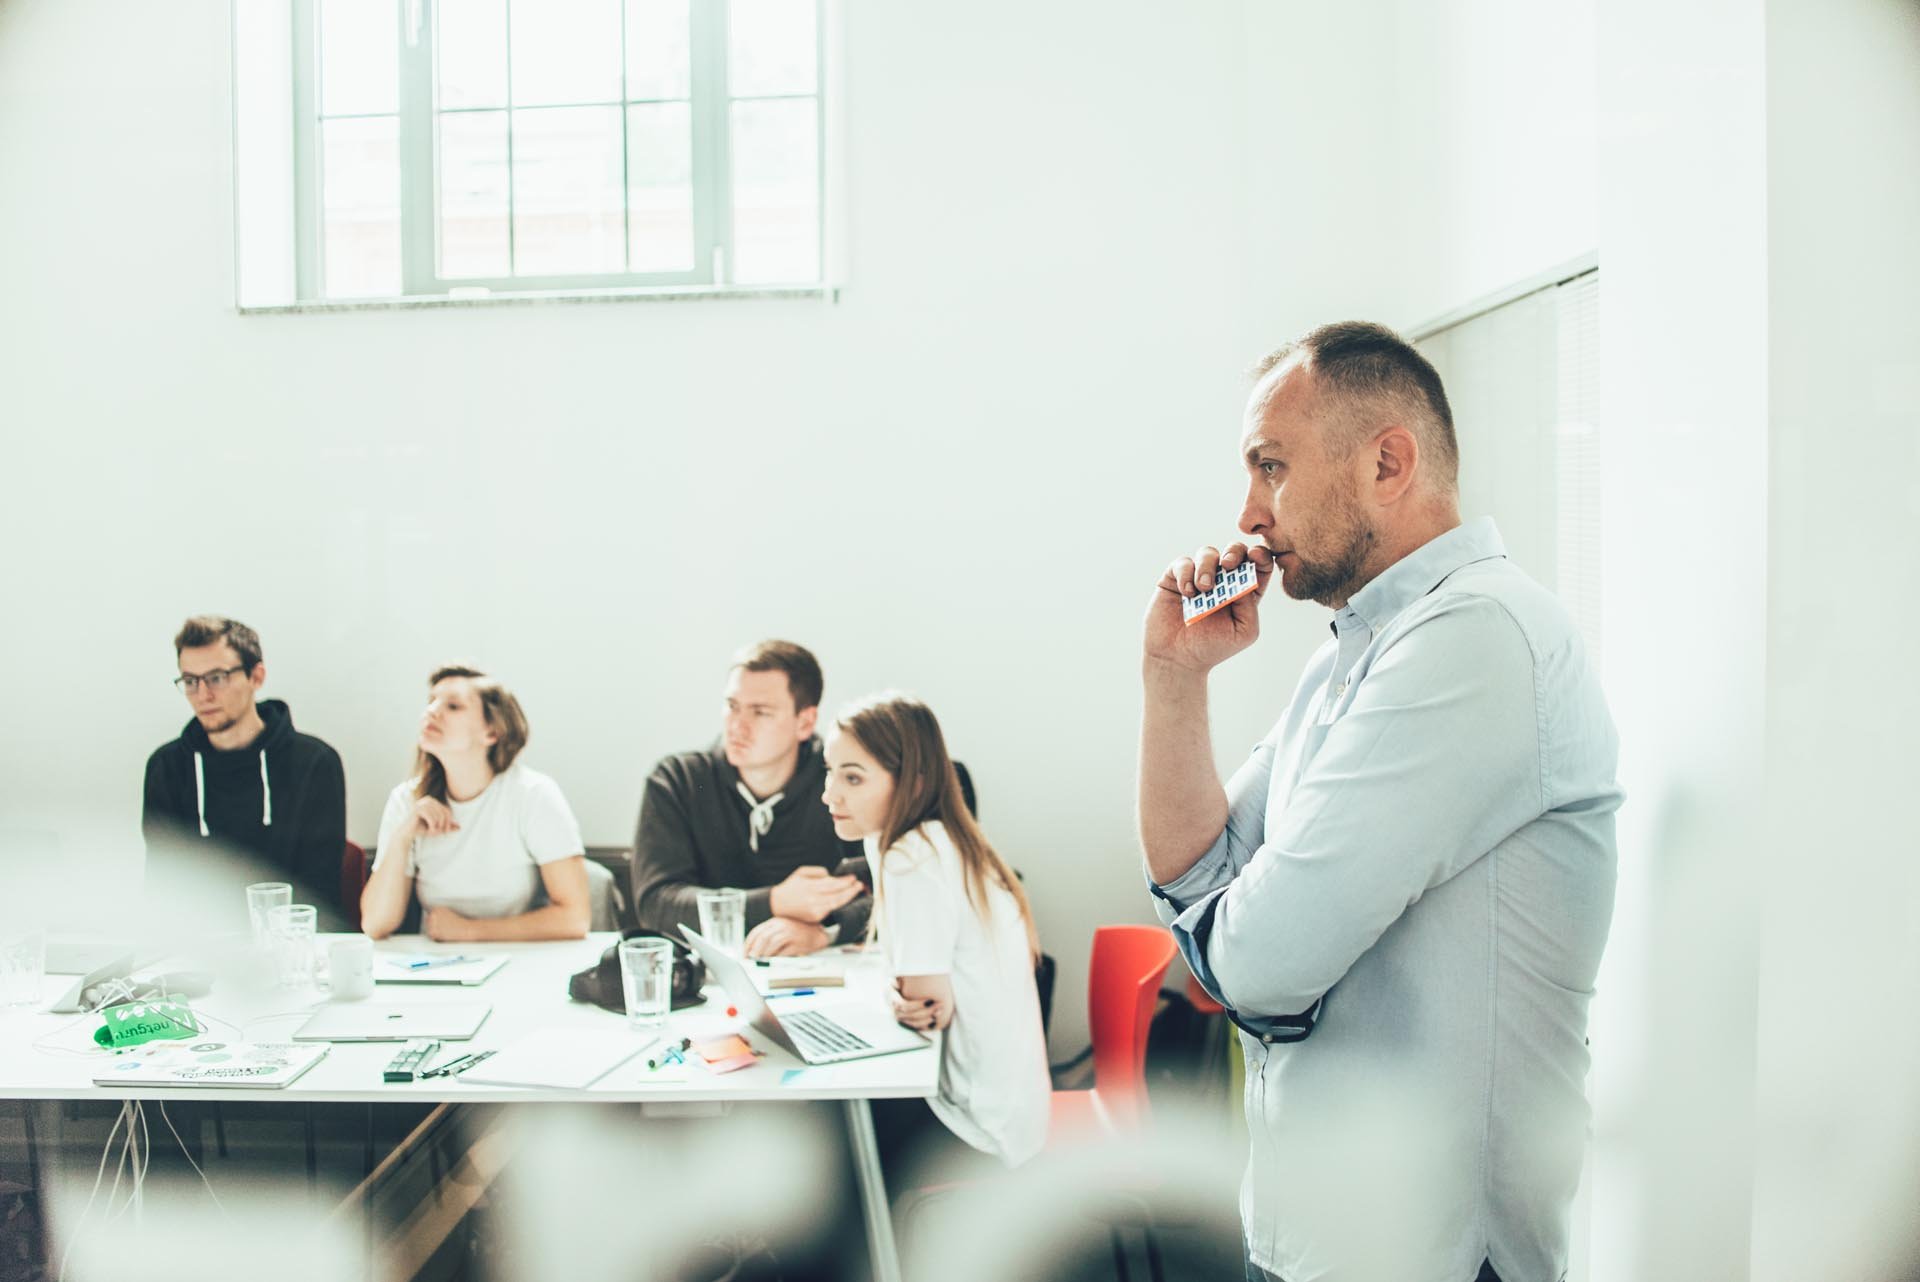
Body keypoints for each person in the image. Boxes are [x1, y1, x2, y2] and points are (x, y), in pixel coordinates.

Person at [1137, 322, 1622, 1282]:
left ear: (1388, 463)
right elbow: (1199, 874)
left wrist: (1223, 932)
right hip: (1315, 1227)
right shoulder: (1357, 652)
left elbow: (1256, 965)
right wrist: (1172, 678)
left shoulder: (1475, 639)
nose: (1247, 512)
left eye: (1270, 466)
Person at [823, 693, 1049, 1180]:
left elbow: (927, 1011)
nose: (829, 794)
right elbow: (915, 988)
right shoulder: (938, 837)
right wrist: (896, 989)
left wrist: (900, 992)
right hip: (1012, 1113)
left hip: (974, 1125)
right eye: (831, 770)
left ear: (913, 783)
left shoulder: (912, 857)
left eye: (853, 777)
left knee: (820, 1126)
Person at [629, 640, 871, 957]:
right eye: (732, 706)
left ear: (805, 722)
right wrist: (775, 902)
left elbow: (889, 887)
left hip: (824, 969)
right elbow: (657, 903)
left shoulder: (842, 782)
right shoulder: (678, 779)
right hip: (712, 975)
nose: (737, 725)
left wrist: (825, 931)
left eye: (760, 712)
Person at [142, 615, 349, 928]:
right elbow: (165, 886)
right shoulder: (167, 768)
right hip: (199, 949)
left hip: (287, 948)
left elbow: (317, 893)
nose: (202, 695)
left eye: (216, 678)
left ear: (257, 676)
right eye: (190, 681)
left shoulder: (314, 763)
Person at [360, 665, 590, 942]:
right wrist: (401, 838)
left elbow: (575, 918)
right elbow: (375, 924)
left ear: (492, 733)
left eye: (453, 706)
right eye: (431, 701)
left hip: (521, 957)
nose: (432, 711)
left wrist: (469, 931)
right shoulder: (406, 800)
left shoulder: (533, 795)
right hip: (437, 963)